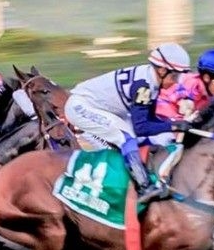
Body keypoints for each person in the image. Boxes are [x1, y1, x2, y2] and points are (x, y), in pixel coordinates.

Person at [65, 44, 192, 195]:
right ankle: (143, 187)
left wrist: (176, 126)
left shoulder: (152, 81)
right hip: (81, 106)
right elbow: (141, 128)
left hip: (107, 110)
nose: (177, 81)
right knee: (126, 139)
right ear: (162, 70)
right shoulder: (143, 86)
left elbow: (150, 120)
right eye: (175, 76)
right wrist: (173, 126)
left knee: (155, 137)